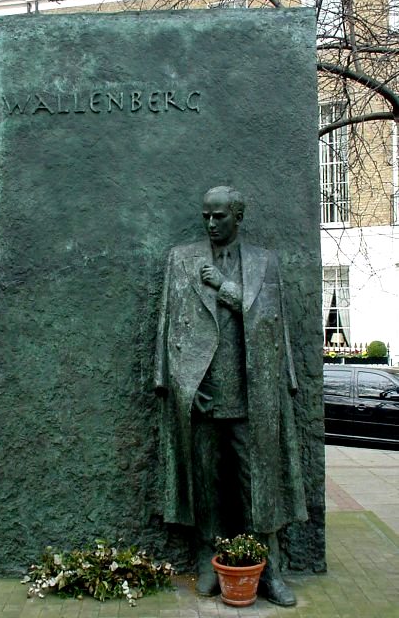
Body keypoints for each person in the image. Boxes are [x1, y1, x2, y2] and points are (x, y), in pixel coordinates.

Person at [154, 185, 308, 606]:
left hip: (252, 396)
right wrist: (178, 385)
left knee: (257, 484)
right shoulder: (181, 258)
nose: (211, 223)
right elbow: (170, 327)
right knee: (205, 483)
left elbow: (271, 324)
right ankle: (208, 556)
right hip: (202, 396)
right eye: (206, 215)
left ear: (238, 216)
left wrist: (224, 286)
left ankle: (269, 569)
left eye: (219, 216)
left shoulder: (263, 262)